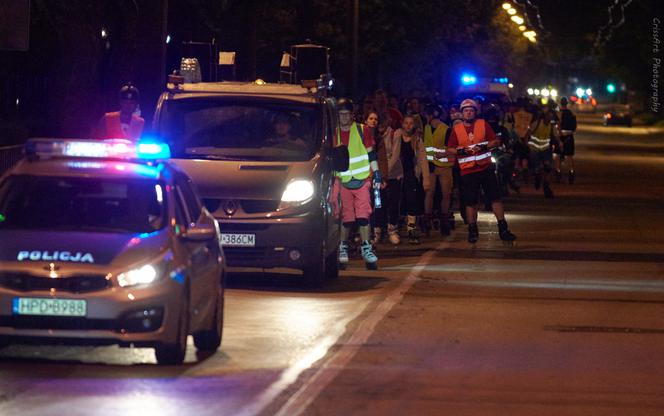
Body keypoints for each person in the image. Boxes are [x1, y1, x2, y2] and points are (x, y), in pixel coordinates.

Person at [447, 99, 516, 244]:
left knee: (495, 198)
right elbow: (450, 148)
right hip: (468, 171)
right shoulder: (457, 129)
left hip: (485, 168)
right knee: (471, 202)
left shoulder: (482, 124)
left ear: (475, 112)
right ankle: (472, 230)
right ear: (462, 113)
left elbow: (495, 141)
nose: (469, 113)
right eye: (466, 111)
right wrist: (462, 150)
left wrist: (483, 147)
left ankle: (503, 229)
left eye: (471, 110)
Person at [334, 98, 381, 269]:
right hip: (343, 180)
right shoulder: (334, 133)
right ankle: (343, 247)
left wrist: (376, 173)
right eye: (341, 115)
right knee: (346, 217)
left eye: (346, 114)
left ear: (352, 115)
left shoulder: (363, 130)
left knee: (363, 215)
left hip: (362, 179)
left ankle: (366, 248)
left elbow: (371, 154)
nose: (344, 118)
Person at [385, 115, 431, 245]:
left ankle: (411, 228)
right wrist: (385, 173)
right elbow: (391, 154)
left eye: (411, 123)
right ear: (402, 123)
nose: (408, 126)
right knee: (395, 200)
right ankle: (392, 228)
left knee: (412, 199)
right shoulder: (396, 135)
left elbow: (423, 159)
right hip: (396, 173)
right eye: (406, 123)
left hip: (410, 173)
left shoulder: (417, 140)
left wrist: (426, 179)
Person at [423, 104, 455, 236]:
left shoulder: (426, 129)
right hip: (441, 166)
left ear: (429, 116)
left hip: (435, 166)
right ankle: (443, 221)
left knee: (430, 193)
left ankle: (428, 221)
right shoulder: (446, 129)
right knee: (445, 194)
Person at [366, 111, 391, 244]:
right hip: (362, 176)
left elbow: (382, 159)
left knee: (376, 204)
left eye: (375, 119)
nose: (373, 121)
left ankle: (376, 231)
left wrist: (383, 177)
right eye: (371, 118)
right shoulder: (360, 136)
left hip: (374, 177)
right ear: (366, 120)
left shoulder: (378, 138)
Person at [528, 105, 556, 198]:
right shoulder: (537, 123)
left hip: (545, 149)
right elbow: (528, 133)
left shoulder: (551, 126)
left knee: (548, 168)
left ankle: (546, 186)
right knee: (537, 169)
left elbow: (555, 135)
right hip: (534, 149)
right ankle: (537, 178)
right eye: (549, 116)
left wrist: (560, 143)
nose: (550, 119)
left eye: (551, 117)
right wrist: (524, 143)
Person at [509, 97, 534, 183]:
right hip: (526, 137)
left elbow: (512, 127)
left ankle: (516, 171)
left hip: (517, 137)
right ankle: (525, 170)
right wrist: (527, 138)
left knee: (517, 155)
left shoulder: (514, 114)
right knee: (524, 155)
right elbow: (531, 128)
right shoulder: (530, 115)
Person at [554, 96, 577, 184]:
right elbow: (574, 128)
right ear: (567, 104)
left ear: (560, 103)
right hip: (569, 136)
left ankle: (558, 173)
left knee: (558, 155)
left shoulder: (558, 114)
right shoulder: (571, 114)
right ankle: (571, 173)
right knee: (569, 156)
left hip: (560, 136)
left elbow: (556, 125)